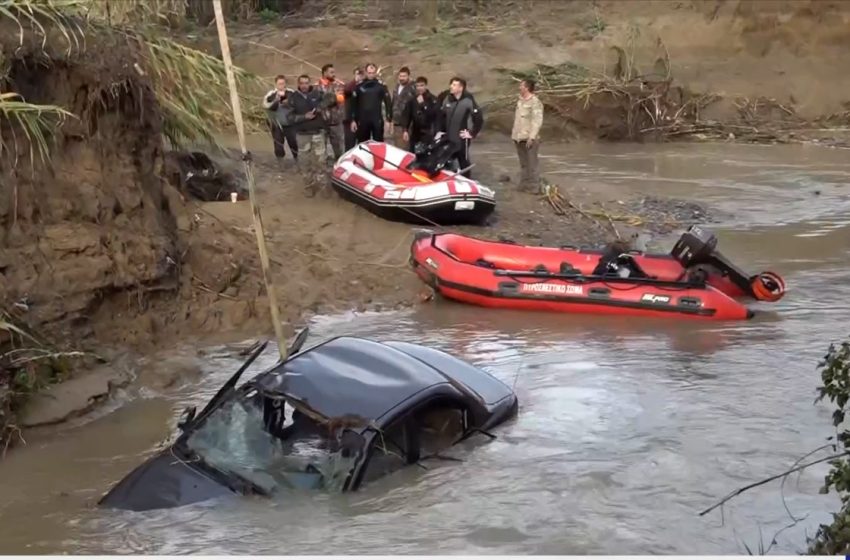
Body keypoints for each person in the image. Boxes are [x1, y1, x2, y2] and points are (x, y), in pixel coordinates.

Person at [289, 74, 335, 191]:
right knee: (305, 162)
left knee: (321, 161)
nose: (304, 85)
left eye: (306, 83)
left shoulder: (317, 94)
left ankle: (323, 186)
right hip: (302, 135)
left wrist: (322, 106)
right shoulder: (293, 97)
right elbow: (289, 117)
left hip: (317, 133)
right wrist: (304, 116)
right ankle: (308, 186)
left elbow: (332, 99)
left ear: (310, 83)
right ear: (298, 84)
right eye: (302, 83)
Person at [435, 76, 484, 178]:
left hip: (462, 138)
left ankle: (467, 182)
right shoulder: (447, 99)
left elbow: (478, 118)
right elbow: (440, 116)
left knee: (464, 162)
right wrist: (439, 131)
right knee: (443, 160)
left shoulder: (468, 100)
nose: (451, 87)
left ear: (461, 88)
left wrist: (472, 133)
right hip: (448, 137)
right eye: (451, 84)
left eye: (454, 85)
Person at [511, 78, 544, 193]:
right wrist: (514, 136)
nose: (519, 87)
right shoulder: (520, 101)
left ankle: (534, 187)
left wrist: (532, 137)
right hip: (518, 137)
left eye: (521, 86)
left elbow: (537, 120)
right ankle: (524, 184)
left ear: (527, 88)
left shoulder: (535, 102)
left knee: (532, 164)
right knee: (523, 163)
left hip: (529, 138)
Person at [348, 63, 392, 143]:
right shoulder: (359, 86)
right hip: (363, 119)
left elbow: (388, 102)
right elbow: (353, 103)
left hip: (376, 119)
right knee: (363, 143)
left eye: (373, 73)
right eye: (369, 73)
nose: (371, 75)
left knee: (378, 143)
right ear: (365, 72)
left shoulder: (381, 86)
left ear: (375, 73)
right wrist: (353, 120)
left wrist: (388, 119)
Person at [262, 75, 298, 166]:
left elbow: (298, 106)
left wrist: (289, 103)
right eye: (279, 84)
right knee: (278, 146)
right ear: (276, 84)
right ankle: (280, 164)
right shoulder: (271, 94)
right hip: (276, 124)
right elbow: (265, 106)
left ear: (285, 83)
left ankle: (296, 160)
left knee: (293, 143)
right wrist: (276, 101)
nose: (281, 85)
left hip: (289, 124)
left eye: (283, 83)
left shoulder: (291, 93)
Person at [400, 76, 438, 151]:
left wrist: (423, 105)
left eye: (421, 85)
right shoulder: (412, 100)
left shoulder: (433, 100)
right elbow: (406, 115)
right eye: (417, 86)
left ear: (426, 86)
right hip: (415, 132)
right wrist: (405, 130)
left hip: (428, 132)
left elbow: (434, 116)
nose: (419, 88)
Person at [316, 63, 346, 161]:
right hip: (322, 123)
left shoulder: (338, 84)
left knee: (339, 150)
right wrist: (330, 98)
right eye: (331, 72)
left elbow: (340, 98)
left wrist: (326, 99)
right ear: (324, 73)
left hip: (336, 122)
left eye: (334, 72)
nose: (334, 74)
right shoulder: (316, 86)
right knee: (321, 153)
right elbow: (315, 101)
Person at [390, 66, 416, 147]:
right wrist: (390, 120)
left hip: (408, 124)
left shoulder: (413, 88)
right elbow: (393, 102)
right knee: (397, 146)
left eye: (404, 76)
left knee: (406, 146)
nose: (402, 78)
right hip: (396, 122)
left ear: (408, 76)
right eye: (400, 76)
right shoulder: (396, 87)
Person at [342, 67, 364, 151]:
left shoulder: (365, 85)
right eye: (358, 74)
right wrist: (355, 81)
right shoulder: (350, 86)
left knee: (362, 145)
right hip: (350, 119)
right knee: (349, 145)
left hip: (362, 120)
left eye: (361, 74)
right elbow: (346, 91)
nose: (360, 76)